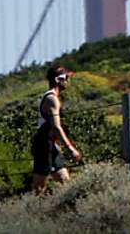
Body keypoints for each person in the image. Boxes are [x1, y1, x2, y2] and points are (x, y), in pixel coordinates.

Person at [31, 65, 82, 193]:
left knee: (65, 180)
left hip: (50, 145)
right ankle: (31, 210)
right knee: (39, 188)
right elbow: (56, 127)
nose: (68, 82)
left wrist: (56, 144)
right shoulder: (51, 99)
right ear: (58, 79)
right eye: (66, 78)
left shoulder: (52, 97)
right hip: (44, 146)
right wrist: (70, 148)